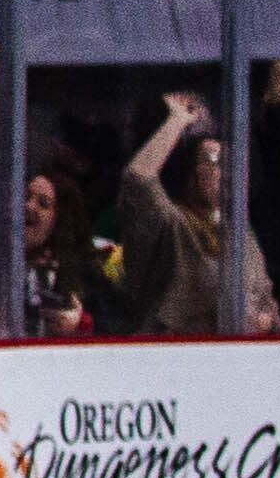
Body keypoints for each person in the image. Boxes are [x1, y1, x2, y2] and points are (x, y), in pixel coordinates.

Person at [108, 87, 267, 329]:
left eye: (229, 163)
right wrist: (177, 121)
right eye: (214, 161)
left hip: (233, 357)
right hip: (172, 357)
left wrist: (262, 320)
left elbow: (266, 301)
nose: (225, 171)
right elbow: (137, 180)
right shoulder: (170, 224)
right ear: (189, 174)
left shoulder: (240, 235)